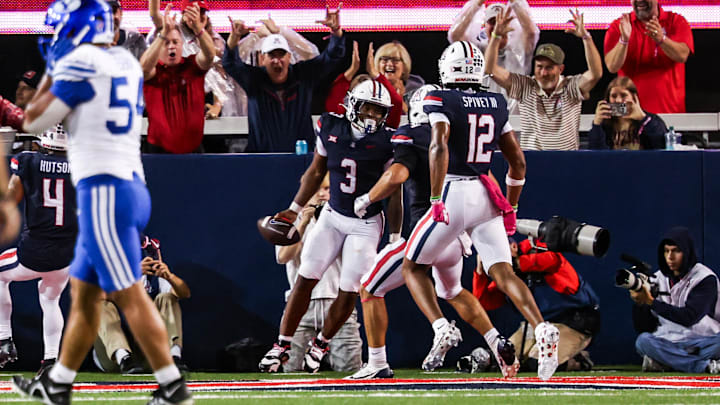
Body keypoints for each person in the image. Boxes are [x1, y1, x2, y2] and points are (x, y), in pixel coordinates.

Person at [11, 1, 192, 404]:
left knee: (127, 293)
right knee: (86, 293)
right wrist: (162, 33)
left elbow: (35, 122)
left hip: (107, 192)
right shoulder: (120, 63)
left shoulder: (80, 65)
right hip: (126, 186)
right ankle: (57, 384)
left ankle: (172, 387)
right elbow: (144, 67)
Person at [400, 40, 560, 381]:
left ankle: (440, 327)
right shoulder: (496, 102)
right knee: (504, 273)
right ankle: (543, 328)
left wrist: (435, 198)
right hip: (487, 195)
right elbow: (517, 162)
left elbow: (439, 143)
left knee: (412, 267)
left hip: (455, 190)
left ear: (448, 67)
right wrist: (512, 204)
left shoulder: (439, 97)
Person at [348, 84, 520, 379]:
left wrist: (368, 197)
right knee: (452, 290)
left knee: (369, 287)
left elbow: (397, 174)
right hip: (455, 236)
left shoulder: (412, 136)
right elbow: (485, 180)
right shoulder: (459, 140)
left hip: (424, 231)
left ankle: (382, 360)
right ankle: (495, 340)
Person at [258, 79, 397, 374]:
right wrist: (295, 209)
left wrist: (396, 236)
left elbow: (394, 191)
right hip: (333, 215)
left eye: (378, 111)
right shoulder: (330, 126)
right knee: (306, 276)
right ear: (352, 106)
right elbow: (316, 170)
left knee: (349, 289)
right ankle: (281, 344)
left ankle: (322, 343)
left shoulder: (389, 142)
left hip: (366, 222)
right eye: (368, 109)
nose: (372, 116)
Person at [0, 129, 76, 376]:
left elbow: (11, 198)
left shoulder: (28, 160)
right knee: (50, 299)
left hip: (34, 252)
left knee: (1, 275)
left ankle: (3, 339)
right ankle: (50, 360)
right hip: (65, 255)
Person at [223, 7, 346, 153]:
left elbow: (331, 57)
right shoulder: (254, 79)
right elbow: (230, 63)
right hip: (261, 160)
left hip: (300, 160)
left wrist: (336, 32)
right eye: (271, 55)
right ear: (262, 58)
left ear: (289, 57)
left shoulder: (303, 75)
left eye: (281, 55)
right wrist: (234, 38)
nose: (277, 61)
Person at [275, 176, 362, 372]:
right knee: (292, 371)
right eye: (316, 189)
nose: (321, 194)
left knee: (350, 369)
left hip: (337, 303)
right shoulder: (288, 221)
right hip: (300, 308)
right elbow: (283, 256)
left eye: (327, 188)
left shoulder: (347, 220)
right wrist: (304, 221)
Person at [473, 237, 600, 372]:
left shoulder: (535, 248)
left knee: (538, 363)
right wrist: (480, 273)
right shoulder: (507, 277)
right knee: (503, 360)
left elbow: (553, 260)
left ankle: (577, 361)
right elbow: (484, 303)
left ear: (514, 247)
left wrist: (516, 264)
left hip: (573, 322)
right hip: (538, 325)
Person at [485, 8, 602, 150]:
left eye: (549, 67)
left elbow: (595, 74)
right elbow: (490, 69)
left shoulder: (570, 86)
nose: (543, 73)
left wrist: (586, 38)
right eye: (539, 66)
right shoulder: (525, 85)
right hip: (533, 161)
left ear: (560, 69)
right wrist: (496, 36)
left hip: (566, 161)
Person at [93, 235, 191, 374]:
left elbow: (184, 293)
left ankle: (173, 357)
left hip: (149, 353)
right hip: (112, 356)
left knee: (167, 298)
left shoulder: (155, 277)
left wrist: (170, 276)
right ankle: (124, 358)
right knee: (100, 304)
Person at [631, 227, 720, 374]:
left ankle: (666, 362)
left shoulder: (704, 278)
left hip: (703, 341)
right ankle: (701, 366)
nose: (670, 257)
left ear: (687, 252)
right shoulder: (656, 278)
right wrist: (639, 304)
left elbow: (689, 317)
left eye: (676, 251)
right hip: (668, 341)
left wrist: (652, 302)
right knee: (643, 341)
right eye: (666, 251)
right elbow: (643, 327)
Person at [141, 4, 215, 154]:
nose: (171, 47)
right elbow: (143, 69)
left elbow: (209, 55)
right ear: (159, 46)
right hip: (158, 154)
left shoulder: (193, 68)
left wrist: (198, 30)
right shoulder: (154, 74)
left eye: (175, 42)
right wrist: (162, 34)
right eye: (166, 43)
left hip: (194, 152)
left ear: (182, 45)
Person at [448, 0, 539, 114]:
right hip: (484, 119)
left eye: (501, 21)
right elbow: (455, 35)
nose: (497, 26)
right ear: (485, 26)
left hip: (515, 121)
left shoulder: (518, 49)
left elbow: (531, 32)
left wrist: (515, 2)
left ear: (510, 24)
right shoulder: (477, 50)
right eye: (492, 22)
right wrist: (477, 3)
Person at [604, 0, 694, 114]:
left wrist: (661, 39)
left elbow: (682, 55)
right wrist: (624, 40)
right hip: (627, 116)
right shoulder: (618, 26)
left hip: (670, 115)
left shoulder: (676, 21)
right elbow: (612, 67)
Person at [325, 41, 402, 129]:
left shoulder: (385, 130)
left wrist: (374, 73)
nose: (370, 114)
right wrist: (352, 69)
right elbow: (333, 102)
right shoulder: (340, 126)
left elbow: (396, 103)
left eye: (375, 109)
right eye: (365, 107)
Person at [588, 76, 667, 150]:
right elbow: (595, 153)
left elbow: (660, 145)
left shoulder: (651, 120)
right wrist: (597, 124)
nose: (618, 100)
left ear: (634, 97)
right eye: (614, 96)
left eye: (623, 95)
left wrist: (643, 118)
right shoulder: (605, 124)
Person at [373, 41, 425, 109]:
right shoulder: (369, 87)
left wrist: (399, 100)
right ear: (378, 65)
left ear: (404, 66)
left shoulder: (417, 91)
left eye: (395, 60)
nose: (390, 64)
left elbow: (417, 118)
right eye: (384, 59)